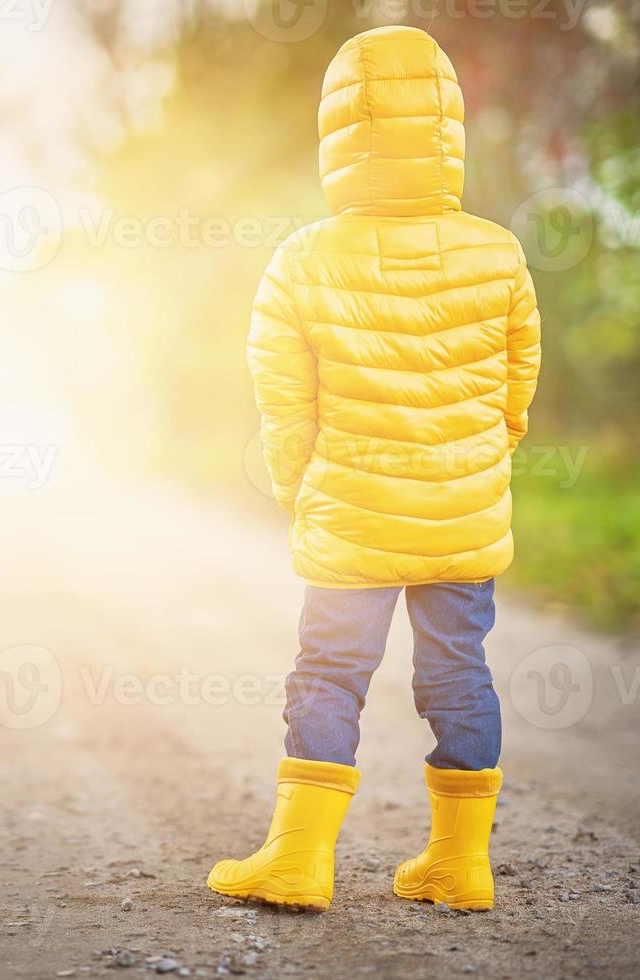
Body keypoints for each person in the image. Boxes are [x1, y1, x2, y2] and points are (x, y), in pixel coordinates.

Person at [207, 24, 541, 913]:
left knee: (329, 673)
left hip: (349, 508)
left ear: (340, 128)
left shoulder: (302, 260)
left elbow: (284, 403)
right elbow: (517, 385)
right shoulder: (497, 251)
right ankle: (461, 865)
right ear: (446, 127)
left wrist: (296, 488)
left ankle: (299, 859)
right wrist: (479, 457)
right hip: (464, 512)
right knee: (458, 672)